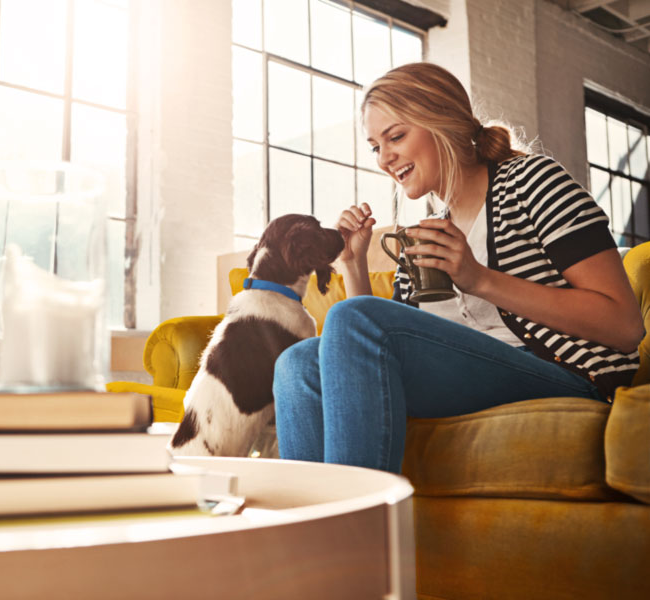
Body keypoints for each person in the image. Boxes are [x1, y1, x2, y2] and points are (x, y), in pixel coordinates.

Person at [272, 62, 644, 473]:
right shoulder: (427, 231)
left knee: (348, 324)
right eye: (376, 146)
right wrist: (352, 263)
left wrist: (480, 279)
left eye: (396, 136)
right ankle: (314, 532)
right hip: (468, 377)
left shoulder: (532, 182)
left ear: (444, 123)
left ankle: (360, 526)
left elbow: (624, 326)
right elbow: (373, 348)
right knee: (299, 363)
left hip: (561, 374)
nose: (384, 158)